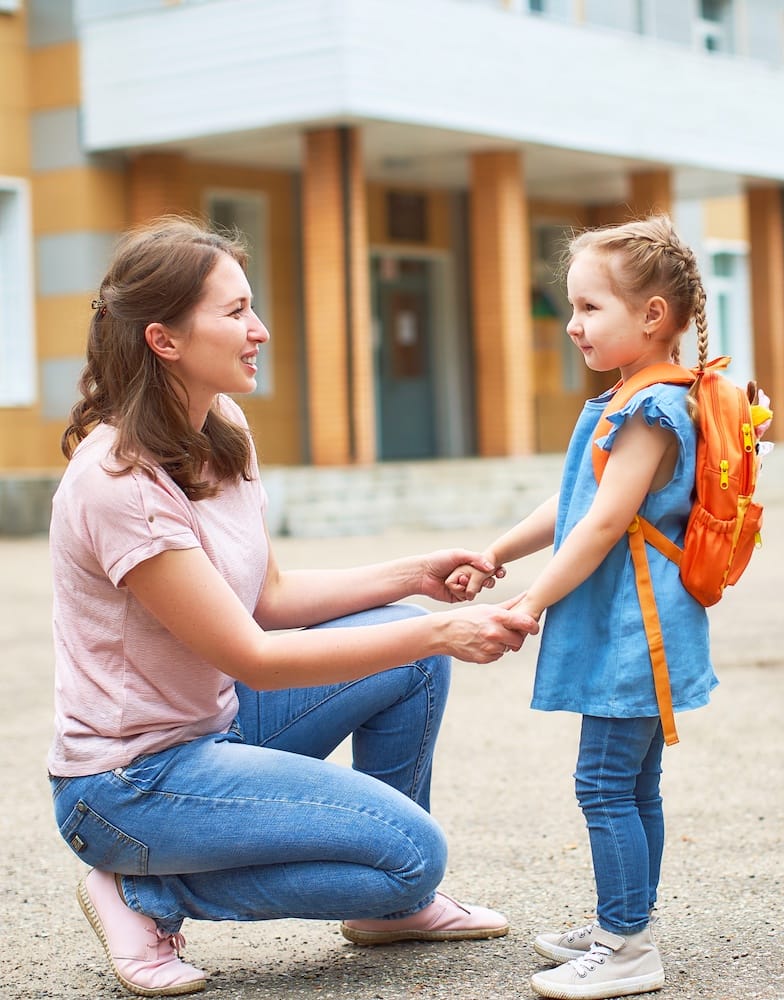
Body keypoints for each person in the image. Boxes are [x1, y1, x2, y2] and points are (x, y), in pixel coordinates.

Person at [47, 216, 539, 999]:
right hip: (128, 786)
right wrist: (441, 630)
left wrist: (414, 577)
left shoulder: (220, 428)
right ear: (164, 340)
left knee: (407, 659)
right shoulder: (121, 484)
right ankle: (143, 892)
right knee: (415, 856)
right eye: (235, 312)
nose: (260, 330)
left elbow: (269, 600)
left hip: (215, 728)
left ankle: (391, 908)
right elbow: (255, 655)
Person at [447, 215, 722, 999]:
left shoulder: (651, 409)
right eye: (571, 307)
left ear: (652, 317)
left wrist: (530, 601)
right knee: (634, 786)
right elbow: (575, 504)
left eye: (589, 307)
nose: (572, 324)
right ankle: (621, 921)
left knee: (605, 784)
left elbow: (604, 523)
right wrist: (499, 553)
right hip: (630, 625)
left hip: (637, 631)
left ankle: (629, 946)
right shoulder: (632, 397)